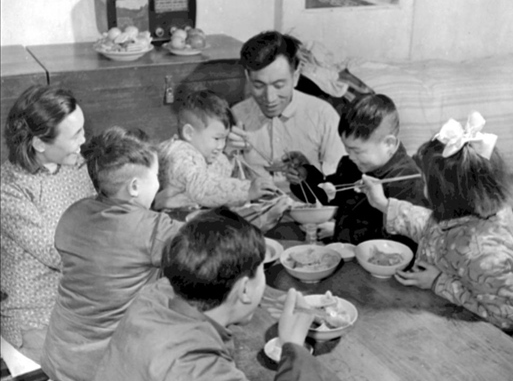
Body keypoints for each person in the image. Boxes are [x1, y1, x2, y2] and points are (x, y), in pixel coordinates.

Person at [73, 207, 344, 381]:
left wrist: (266, 296)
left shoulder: (155, 296)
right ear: (245, 289)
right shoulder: (193, 371)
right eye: (261, 270)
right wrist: (294, 346)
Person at [361, 112, 513, 338]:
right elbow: (430, 228)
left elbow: (507, 317)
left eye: (425, 181)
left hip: (482, 338)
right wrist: (384, 204)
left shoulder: (485, 256)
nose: (422, 186)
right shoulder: (466, 210)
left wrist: (438, 282)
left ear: (445, 196)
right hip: (444, 310)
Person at [40, 127, 184, 381]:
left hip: (59, 356)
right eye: (156, 177)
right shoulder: (153, 228)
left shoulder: (73, 213)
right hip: (102, 371)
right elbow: (208, 250)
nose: (159, 185)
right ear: (134, 186)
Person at [0, 85, 95, 363]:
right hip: (36, 317)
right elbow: (59, 253)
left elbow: (100, 216)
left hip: (81, 302)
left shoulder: (75, 164)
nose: (84, 140)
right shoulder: (9, 189)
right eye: (75, 134)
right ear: (40, 143)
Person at [287, 93, 427, 246]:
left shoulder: (409, 181)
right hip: (343, 247)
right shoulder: (354, 165)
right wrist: (305, 177)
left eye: (357, 151)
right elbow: (326, 194)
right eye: (347, 149)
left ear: (388, 144)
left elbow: (402, 241)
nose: (351, 157)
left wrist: (339, 230)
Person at [229, 31, 346, 191]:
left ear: (296, 76)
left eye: (279, 85)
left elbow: (340, 182)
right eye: (258, 85)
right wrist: (225, 153)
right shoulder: (236, 115)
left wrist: (310, 174)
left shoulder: (323, 115)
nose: (269, 98)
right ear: (248, 78)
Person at [154, 89, 277, 210]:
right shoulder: (181, 155)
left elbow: (216, 171)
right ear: (189, 133)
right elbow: (203, 188)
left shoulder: (199, 152)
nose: (221, 145)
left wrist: (229, 155)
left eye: (224, 139)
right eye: (217, 138)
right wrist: (246, 190)